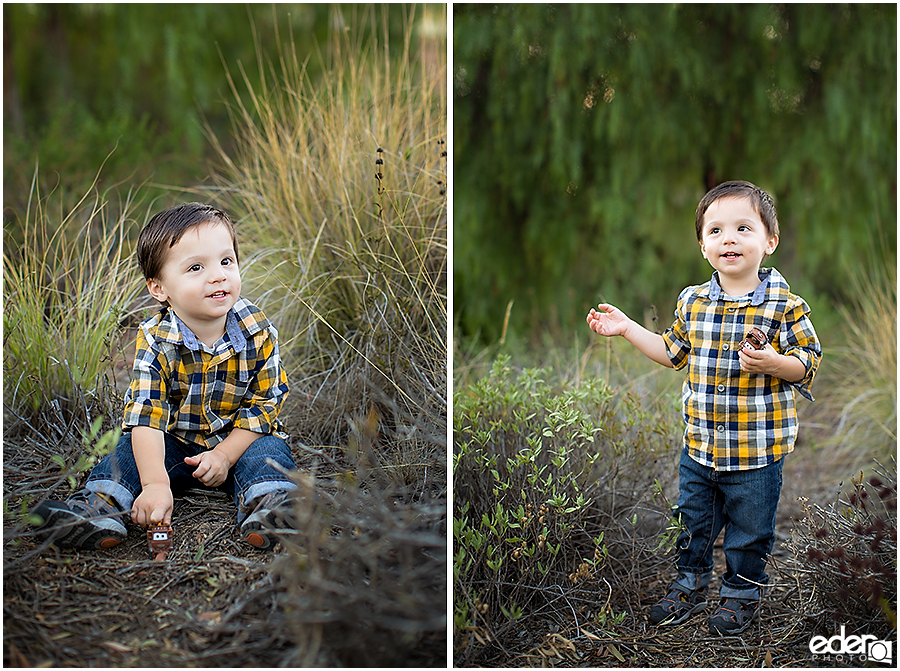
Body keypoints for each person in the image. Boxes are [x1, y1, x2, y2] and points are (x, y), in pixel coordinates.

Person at [586, 181, 821, 636]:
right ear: (702, 246)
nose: (728, 238)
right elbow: (671, 351)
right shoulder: (692, 302)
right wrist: (629, 327)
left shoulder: (785, 307)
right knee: (693, 523)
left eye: (743, 228)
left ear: (769, 241)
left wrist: (775, 362)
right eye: (715, 230)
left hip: (756, 452)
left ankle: (740, 595)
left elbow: (808, 363)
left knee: (750, 530)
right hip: (699, 447)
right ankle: (690, 586)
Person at [33, 202, 298, 552]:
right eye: (196, 267)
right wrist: (155, 482)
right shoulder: (156, 340)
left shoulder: (257, 331)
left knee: (270, 450)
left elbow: (265, 404)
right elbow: (147, 415)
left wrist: (224, 456)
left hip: (240, 440)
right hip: (174, 443)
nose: (218, 275)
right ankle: (98, 509)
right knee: (126, 451)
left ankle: (272, 506)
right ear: (159, 288)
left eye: (226, 261)